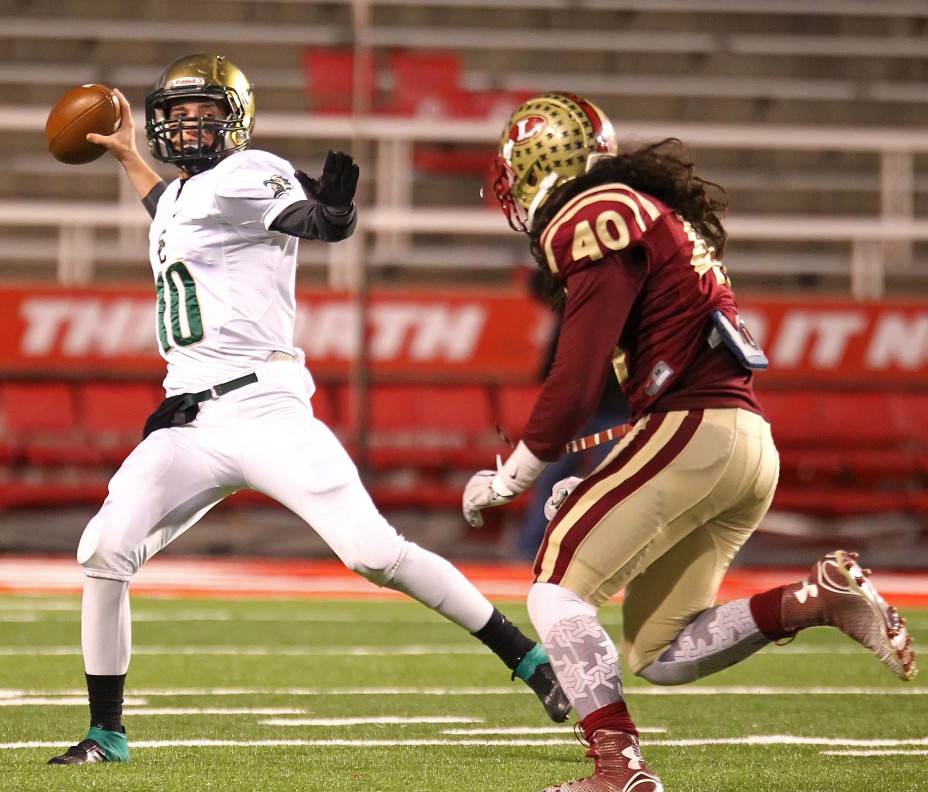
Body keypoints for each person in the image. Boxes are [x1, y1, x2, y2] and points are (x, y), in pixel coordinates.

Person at [46, 54, 569, 766]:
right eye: (178, 115)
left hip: (264, 408)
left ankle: (526, 657)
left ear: (236, 122)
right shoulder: (177, 194)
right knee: (102, 550)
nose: (190, 127)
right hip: (189, 422)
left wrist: (334, 210)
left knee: (372, 553)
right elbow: (168, 210)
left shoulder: (245, 170)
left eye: (206, 114)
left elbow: (310, 219)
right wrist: (129, 155)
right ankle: (107, 732)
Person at [462, 92, 918, 792]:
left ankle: (619, 771)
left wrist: (511, 476)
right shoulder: (647, 210)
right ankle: (816, 599)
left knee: (555, 590)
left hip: (694, 431)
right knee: (659, 648)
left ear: (529, 167)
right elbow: (661, 371)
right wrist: (591, 478)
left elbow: (577, 378)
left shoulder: (592, 213)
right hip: (739, 444)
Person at [516, 270, 629, 560]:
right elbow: (541, 284)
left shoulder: (602, 282)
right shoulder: (583, 278)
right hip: (581, 402)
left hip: (604, 400)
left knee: (613, 480)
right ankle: (533, 551)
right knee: (555, 477)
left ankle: (612, 552)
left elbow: (541, 285)